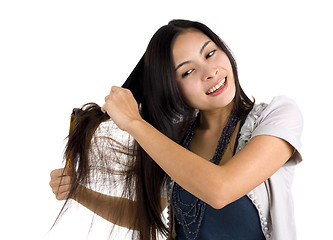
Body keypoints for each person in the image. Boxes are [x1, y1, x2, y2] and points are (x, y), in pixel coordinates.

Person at [49, 19, 303, 240]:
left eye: (210, 53)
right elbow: (145, 215)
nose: (210, 72)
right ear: (172, 89)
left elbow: (220, 190)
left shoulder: (277, 117)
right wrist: (79, 193)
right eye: (188, 71)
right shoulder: (178, 140)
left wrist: (134, 123)